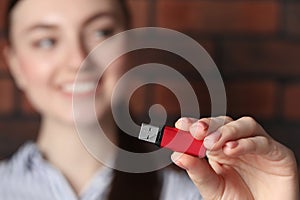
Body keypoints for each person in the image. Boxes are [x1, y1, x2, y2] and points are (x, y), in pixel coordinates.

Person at [0, 0, 298, 200]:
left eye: (100, 32)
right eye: (46, 41)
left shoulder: (200, 194)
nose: (79, 61)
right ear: (12, 61)